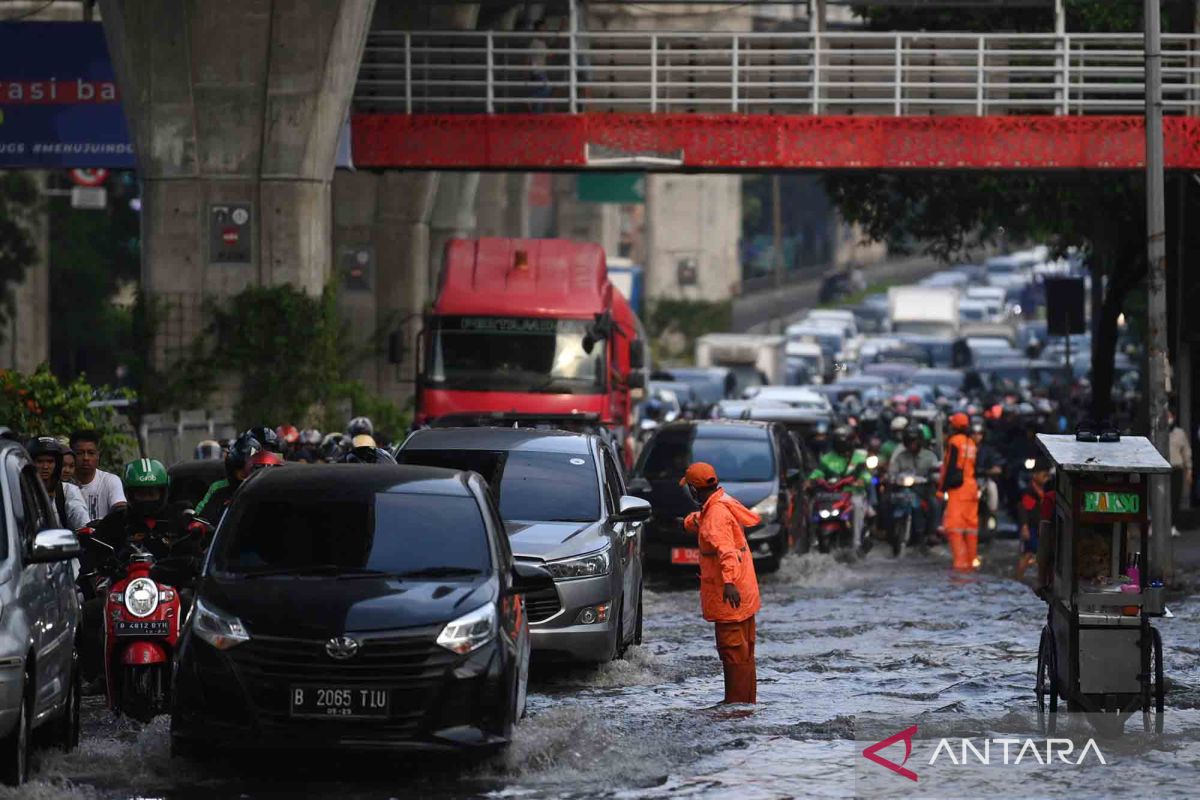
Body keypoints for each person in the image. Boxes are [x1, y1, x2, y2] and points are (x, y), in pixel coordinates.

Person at [81, 458, 176, 687]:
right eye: (141, 493)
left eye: (152, 492)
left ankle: (194, 672)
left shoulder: (177, 518)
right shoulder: (117, 520)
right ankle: (98, 675)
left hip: (170, 590)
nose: (147, 499)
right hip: (124, 592)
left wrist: (191, 558)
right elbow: (93, 549)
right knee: (90, 613)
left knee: (197, 612)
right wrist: (98, 566)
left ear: (163, 492)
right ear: (130, 494)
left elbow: (196, 544)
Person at [681, 462, 761, 705]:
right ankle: (745, 704)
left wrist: (728, 583)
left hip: (731, 597)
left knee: (733, 652)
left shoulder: (714, 516)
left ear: (694, 491)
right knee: (744, 653)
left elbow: (726, 552)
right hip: (745, 595)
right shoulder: (721, 504)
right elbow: (708, 521)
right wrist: (691, 521)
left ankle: (735, 708)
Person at [809, 426, 871, 553]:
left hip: (853, 494)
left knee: (857, 505)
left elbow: (866, 474)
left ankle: (856, 542)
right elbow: (818, 472)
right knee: (812, 505)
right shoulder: (827, 458)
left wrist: (861, 480)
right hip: (831, 495)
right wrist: (813, 479)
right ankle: (812, 540)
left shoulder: (860, 457)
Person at [939, 412, 980, 571]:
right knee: (970, 527)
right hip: (971, 487)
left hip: (958, 489)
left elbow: (949, 467)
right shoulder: (971, 443)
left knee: (954, 526)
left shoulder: (955, 442)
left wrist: (942, 490)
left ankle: (960, 563)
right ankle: (972, 561)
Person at [887, 427, 939, 546]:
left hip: (924, 488)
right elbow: (892, 472)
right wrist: (892, 478)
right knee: (886, 502)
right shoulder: (900, 457)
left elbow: (937, 471)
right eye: (909, 442)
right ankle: (887, 531)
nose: (912, 445)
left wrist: (932, 477)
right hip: (903, 490)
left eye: (914, 442)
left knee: (934, 503)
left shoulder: (929, 456)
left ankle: (931, 532)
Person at [195, 432, 261, 525]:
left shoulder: (267, 489)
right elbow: (201, 518)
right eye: (240, 470)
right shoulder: (218, 490)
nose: (245, 476)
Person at [27, 437, 89, 530]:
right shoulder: (22, 491)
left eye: (50, 461)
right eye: (40, 461)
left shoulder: (67, 491)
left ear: (57, 464)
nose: (45, 466)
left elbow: (81, 519)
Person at [70, 430, 127, 521]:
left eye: (91, 453)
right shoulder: (64, 484)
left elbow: (120, 510)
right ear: (71, 455)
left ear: (98, 455)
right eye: (80, 453)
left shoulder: (110, 481)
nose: (86, 458)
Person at [1016, 460, 1051, 581]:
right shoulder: (1030, 491)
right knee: (1028, 554)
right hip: (1031, 527)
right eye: (1043, 475)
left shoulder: (1044, 490)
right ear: (1035, 475)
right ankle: (1018, 578)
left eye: (1047, 475)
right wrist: (1024, 526)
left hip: (1039, 527)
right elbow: (1024, 510)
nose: (1046, 478)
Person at [1168, 408, 1191, 537]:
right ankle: (1155, 524)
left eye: (1170, 415)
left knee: (1175, 498)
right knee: (1156, 498)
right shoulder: (1157, 433)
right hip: (1162, 470)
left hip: (1176, 469)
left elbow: (1186, 452)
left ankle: (1172, 525)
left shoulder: (1180, 433)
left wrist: (1189, 470)